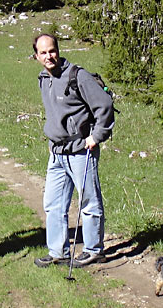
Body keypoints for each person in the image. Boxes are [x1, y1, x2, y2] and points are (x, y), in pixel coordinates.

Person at [32, 33, 115, 268]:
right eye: (44, 52)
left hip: (81, 150)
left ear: (58, 50)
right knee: (54, 204)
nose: (49, 56)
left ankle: (93, 250)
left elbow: (104, 105)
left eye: (52, 50)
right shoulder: (43, 78)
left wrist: (96, 136)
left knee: (89, 201)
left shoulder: (77, 76)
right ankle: (58, 251)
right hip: (57, 152)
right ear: (36, 56)